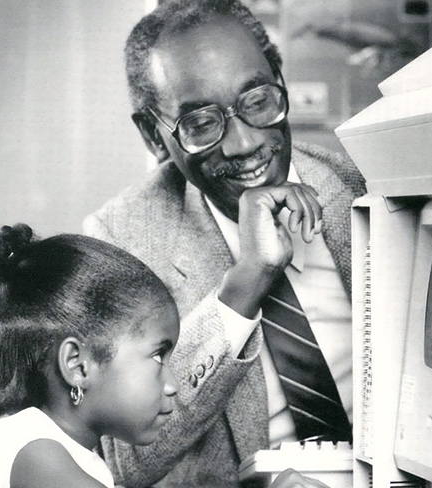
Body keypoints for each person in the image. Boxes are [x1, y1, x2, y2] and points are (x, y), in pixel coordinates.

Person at [83, 1, 366, 486]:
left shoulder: (362, 187)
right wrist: (245, 284)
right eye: (202, 124)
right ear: (155, 134)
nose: (244, 144)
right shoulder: (122, 240)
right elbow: (128, 463)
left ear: (280, 79)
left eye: (258, 101)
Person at [0, 223, 180, 488]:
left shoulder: (43, 443)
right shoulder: (38, 455)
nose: (173, 386)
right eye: (157, 357)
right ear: (77, 365)